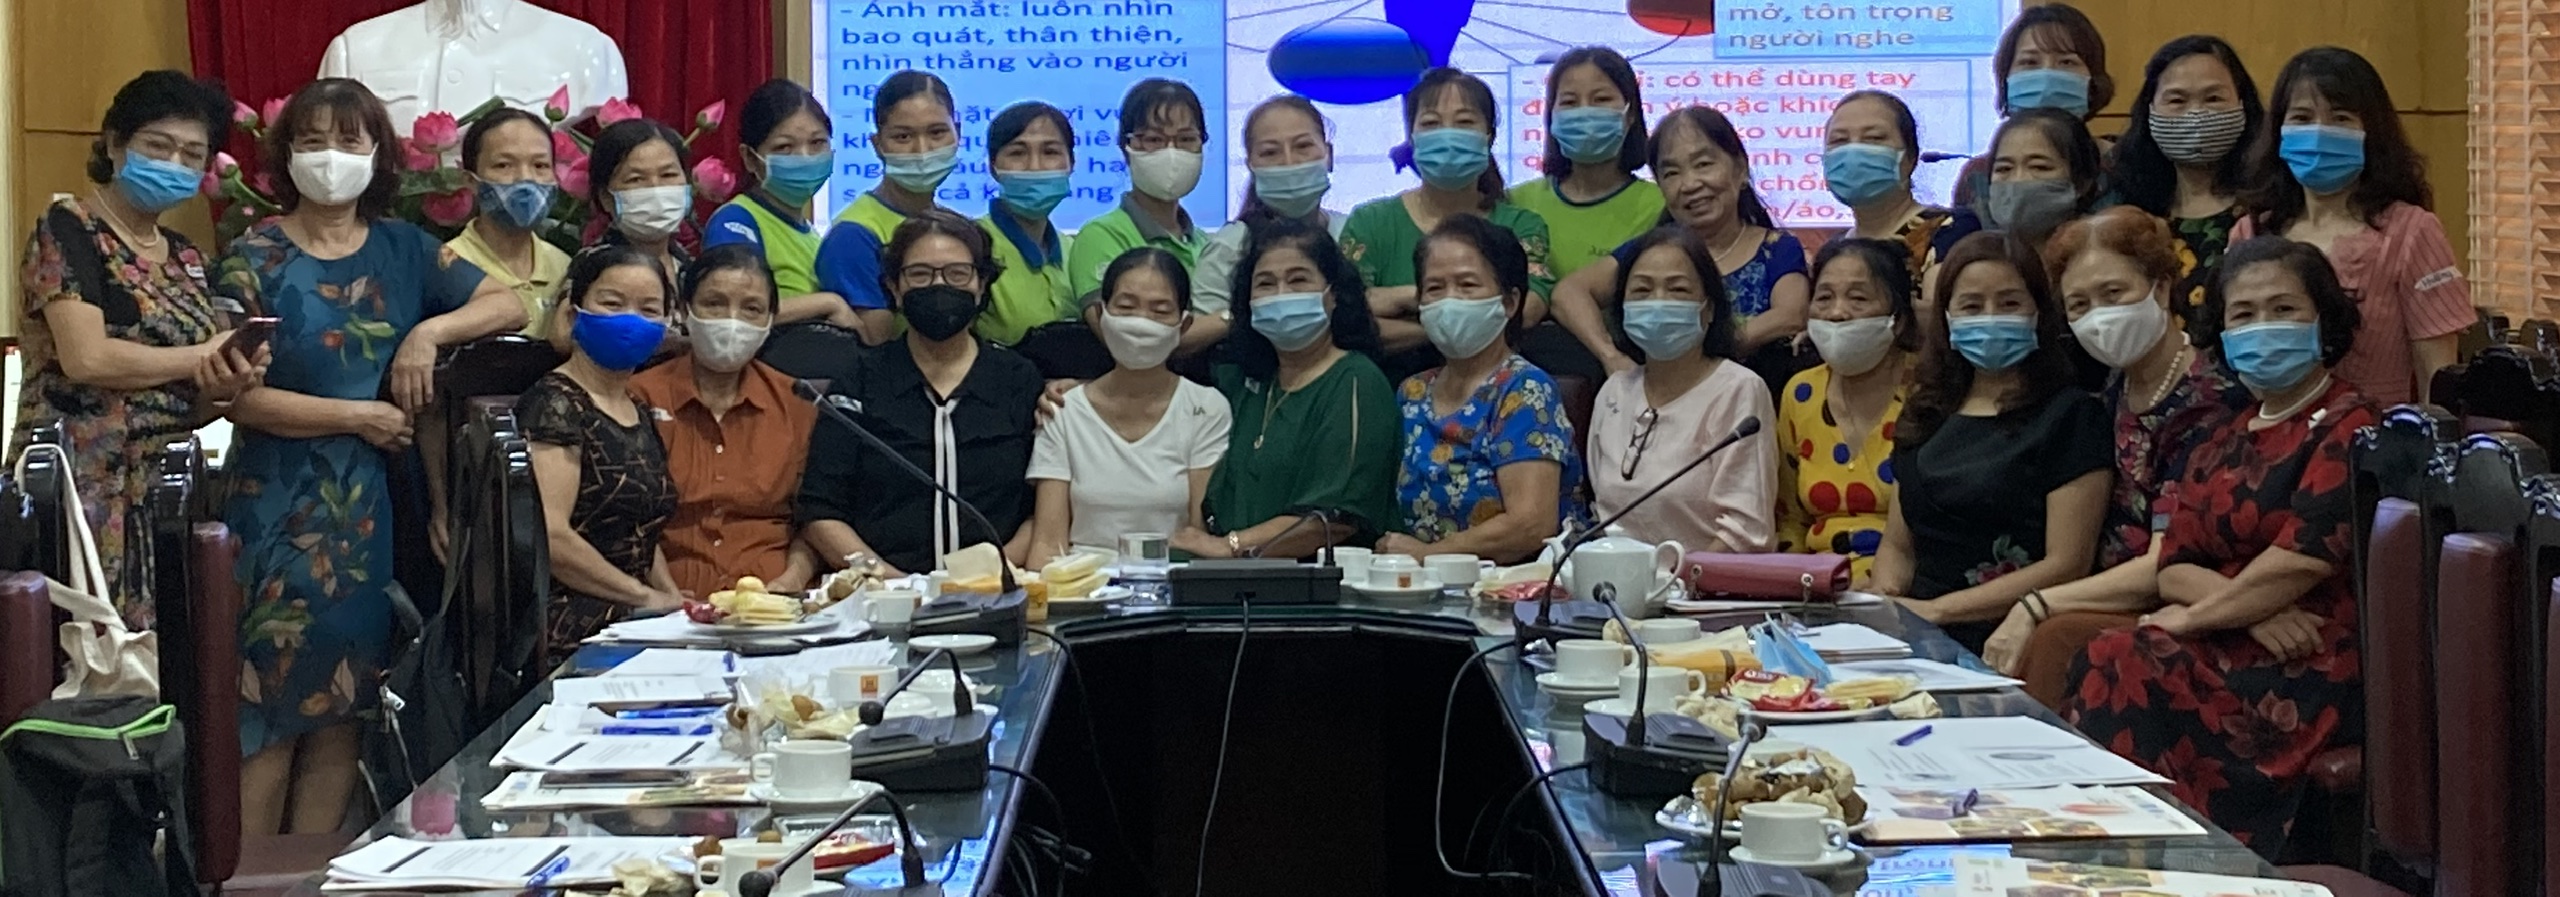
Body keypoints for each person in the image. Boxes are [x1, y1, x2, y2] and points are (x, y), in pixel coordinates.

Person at [218, 78, 526, 835]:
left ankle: (314, 873)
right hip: (273, 509)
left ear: (378, 155)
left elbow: (511, 302)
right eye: (312, 140)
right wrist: (358, 415)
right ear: (286, 156)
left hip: (366, 514)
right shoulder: (252, 256)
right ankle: (249, 876)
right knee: (265, 710)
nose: (331, 155)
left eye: (348, 140)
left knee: (347, 707)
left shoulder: (405, 249)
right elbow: (235, 398)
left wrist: (427, 334)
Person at [2066, 236, 2378, 856]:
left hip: (2308, 655)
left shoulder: (2351, 424)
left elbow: (2299, 562)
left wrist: (2194, 619)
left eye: (2283, 310)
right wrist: (2242, 613)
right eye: (2244, 314)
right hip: (2240, 634)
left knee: (2121, 658)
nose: (2263, 326)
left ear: (2323, 320)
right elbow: (2174, 566)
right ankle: (2125, 851)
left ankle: (2174, 857)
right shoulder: (2222, 435)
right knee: (2111, 655)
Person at [10, 70, 265, 625]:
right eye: (157, 146)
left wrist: (227, 378)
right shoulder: (69, 227)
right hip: (82, 487)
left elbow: (186, 402)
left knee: (167, 652)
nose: (174, 163)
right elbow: (88, 358)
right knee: (83, 652)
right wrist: (202, 355)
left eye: (192, 155)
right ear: (114, 142)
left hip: (165, 489)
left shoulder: (186, 256)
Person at [1982, 208, 2251, 701]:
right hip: (2106, 591)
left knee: (2054, 637)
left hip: (2190, 603)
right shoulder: (2113, 389)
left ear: (2161, 289)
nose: (2099, 317)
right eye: (2079, 304)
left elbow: (2163, 562)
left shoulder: (2209, 400)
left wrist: (2037, 603)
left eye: (2113, 294)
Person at [1868, 232, 2110, 652]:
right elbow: (1898, 546)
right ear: (1947, 317)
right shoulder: (1926, 411)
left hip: (2013, 633)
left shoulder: (2072, 415)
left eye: (2010, 303)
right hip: (1914, 629)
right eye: (1972, 306)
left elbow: (2068, 562)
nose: (1991, 317)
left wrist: (1940, 611)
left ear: (2039, 311)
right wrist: (1885, 601)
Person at [798, 209, 1044, 576]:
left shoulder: (1018, 378)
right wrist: (891, 582)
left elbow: (1042, 508)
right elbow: (821, 511)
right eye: (920, 274)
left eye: (957, 273)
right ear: (895, 288)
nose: (939, 285)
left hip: (997, 587)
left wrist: (988, 576)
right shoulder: (860, 379)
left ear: (981, 285)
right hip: (883, 592)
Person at [2231, 46, 2469, 406]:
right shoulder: (2250, 233)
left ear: (2372, 131)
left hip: (2377, 432)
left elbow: (2437, 374)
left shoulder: (2412, 232)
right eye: (2301, 118)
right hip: (2267, 432)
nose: (2318, 132)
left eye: (2340, 118)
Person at [1178, 218, 1398, 560]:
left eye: (1298, 280)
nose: (1281, 294)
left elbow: (1335, 518)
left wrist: (1230, 547)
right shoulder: (1245, 382)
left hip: (1321, 582)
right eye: (1265, 283)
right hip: (1233, 579)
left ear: (1333, 295)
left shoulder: (1356, 381)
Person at [1546, 105, 1810, 382]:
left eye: (1703, 164)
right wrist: (1609, 355)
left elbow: (1790, 315)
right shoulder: (1650, 254)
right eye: (1671, 173)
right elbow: (1568, 293)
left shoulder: (1777, 248)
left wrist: (1695, 355)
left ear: (1740, 169)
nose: (1690, 184)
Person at [1379, 216, 1582, 565]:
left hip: (1516, 584)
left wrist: (1428, 556)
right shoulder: (1412, 392)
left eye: (1467, 285)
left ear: (1509, 302)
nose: (1449, 301)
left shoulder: (1524, 389)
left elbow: (1531, 525)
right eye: (1434, 288)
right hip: (1420, 584)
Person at [521, 246, 681, 665]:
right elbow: (552, 536)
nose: (631, 319)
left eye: (649, 309)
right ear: (574, 312)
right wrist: (643, 597)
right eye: (612, 303)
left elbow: (642, 530)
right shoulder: (555, 404)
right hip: (573, 626)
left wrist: (673, 602)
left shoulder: (637, 409)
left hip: (636, 618)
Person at [631, 244, 818, 599]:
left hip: (776, 603)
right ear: (684, 309)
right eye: (714, 304)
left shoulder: (797, 402)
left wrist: (793, 580)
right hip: (663, 603)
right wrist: (667, 599)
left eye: (752, 309)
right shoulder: (638, 397)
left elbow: (813, 520)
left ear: (771, 319)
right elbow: (627, 523)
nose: (732, 320)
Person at [1026, 248, 1230, 565]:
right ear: (1101, 314)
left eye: (1160, 310)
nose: (1141, 322)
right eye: (1126, 307)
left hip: (1168, 579)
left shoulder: (1205, 408)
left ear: (1184, 324)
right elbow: (1047, 543)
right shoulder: (1063, 409)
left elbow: (1199, 535)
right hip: (1081, 583)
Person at [1583, 225, 1777, 554]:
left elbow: (1746, 533)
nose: (1658, 302)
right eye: (1642, 290)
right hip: (1618, 580)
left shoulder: (1739, 390)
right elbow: (1602, 515)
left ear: (1709, 309)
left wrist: (1672, 578)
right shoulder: (1614, 392)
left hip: (1705, 581)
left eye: (1678, 289)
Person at [1340, 67, 1554, 355]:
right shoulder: (1370, 223)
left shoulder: (1520, 226)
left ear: (1489, 136)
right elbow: (1345, 317)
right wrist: (1458, 318)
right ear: (1412, 137)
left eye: (1464, 122)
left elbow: (1526, 310)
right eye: (1431, 123)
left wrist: (1406, 304)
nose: (1448, 135)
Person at [1774, 239, 1915, 581]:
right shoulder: (1801, 393)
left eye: (1858, 299)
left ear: (1897, 319)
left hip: (1908, 585)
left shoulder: (1929, 390)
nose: (1837, 313)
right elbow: (1790, 519)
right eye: (1824, 298)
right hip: (1816, 587)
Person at [2106, 36, 2265, 323]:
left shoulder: (2269, 210)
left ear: (2243, 104)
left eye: (2213, 99)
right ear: (2150, 109)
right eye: (2177, 100)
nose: (2196, 115)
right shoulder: (2125, 214)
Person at [703, 79, 864, 334]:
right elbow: (734, 310)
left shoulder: (811, 234)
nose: (804, 157)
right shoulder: (736, 222)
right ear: (750, 158)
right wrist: (828, 303)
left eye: (817, 143)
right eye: (784, 147)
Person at [1192, 94, 1343, 358]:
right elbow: (1198, 339)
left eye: (1303, 146)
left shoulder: (1352, 233)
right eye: (1270, 152)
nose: (1289, 161)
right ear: (1251, 165)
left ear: (1328, 155)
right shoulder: (1232, 247)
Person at [818, 69, 961, 345]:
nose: (922, 150)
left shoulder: (955, 226)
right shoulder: (854, 235)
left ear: (958, 133)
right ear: (877, 144)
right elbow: (874, 346)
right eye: (903, 137)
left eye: (937, 132)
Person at [1504, 46, 1662, 281]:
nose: (1585, 111)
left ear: (1630, 114)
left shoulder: (1660, 206)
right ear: (1551, 116)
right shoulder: (1516, 203)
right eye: (1569, 102)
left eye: (1601, 99)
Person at [1822, 90, 1974, 305]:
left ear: (1910, 158)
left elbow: (1938, 314)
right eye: (1839, 140)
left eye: (1874, 138)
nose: (1853, 151)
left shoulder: (1949, 230)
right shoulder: (1834, 249)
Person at [1956, 2, 2115, 204]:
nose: (2047, 75)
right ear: (2006, 79)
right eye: (2030, 62)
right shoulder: (1977, 176)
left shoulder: (2125, 167)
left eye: (2066, 62)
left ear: (2093, 81)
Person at [1068, 78, 1211, 303]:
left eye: (1186, 139)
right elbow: (1113, 322)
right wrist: (1228, 318)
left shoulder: (1206, 244)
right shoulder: (1102, 236)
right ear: (1125, 147)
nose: (1171, 152)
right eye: (1154, 139)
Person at [445, 109, 567, 338]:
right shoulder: (448, 265)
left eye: (540, 165)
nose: (525, 178)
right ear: (471, 180)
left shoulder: (564, 268)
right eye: (504, 165)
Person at [976, 101, 1079, 345]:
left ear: (1071, 163)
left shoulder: (1077, 250)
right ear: (993, 167)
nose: (1034, 167)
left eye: (1050, 152)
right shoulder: (972, 246)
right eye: (1017, 153)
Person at [1980, 109, 2107, 252]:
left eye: (2039, 167)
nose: (2018, 179)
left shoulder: (2104, 254)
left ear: (2082, 183)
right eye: (2004, 168)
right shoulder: (1980, 255)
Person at [589, 117, 696, 282]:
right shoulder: (595, 273)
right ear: (605, 197)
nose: (655, 188)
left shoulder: (690, 268)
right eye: (636, 179)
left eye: (668, 175)